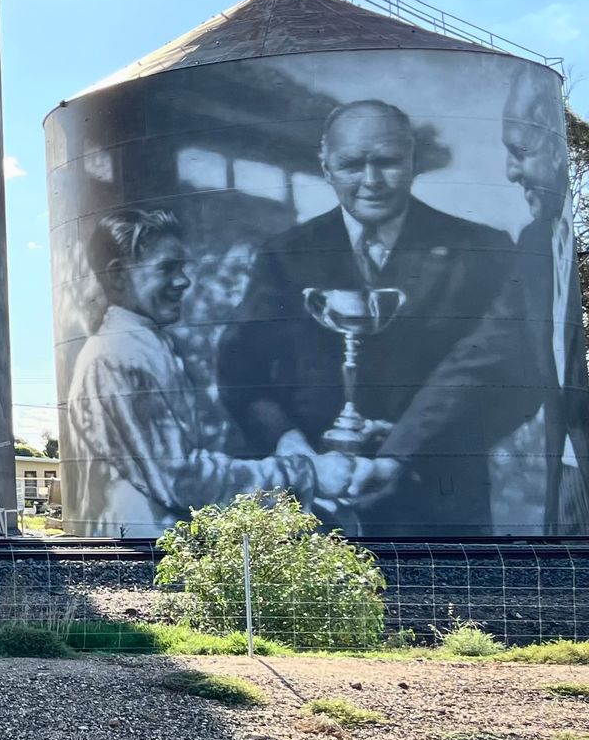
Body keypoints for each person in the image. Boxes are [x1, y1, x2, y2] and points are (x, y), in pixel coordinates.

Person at [218, 99, 538, 533]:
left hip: (439, 506)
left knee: (445, 604)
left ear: (414, 162)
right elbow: (241, 374)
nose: (371, 182)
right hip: (314, 505)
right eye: (352, 165)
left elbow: (517, 376)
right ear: (326, 166)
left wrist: (417, 448)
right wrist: (299, 455)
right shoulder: (284, 256)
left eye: (387, 162)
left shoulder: (482, 250)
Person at [65, 208, 344, 537]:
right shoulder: (117, 356)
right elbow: (181, 480)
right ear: (118, 276)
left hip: (162, 542)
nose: (184, 281)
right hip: (141, 548)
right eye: (168, 268)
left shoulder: (149, 344)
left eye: (183, 267)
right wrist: (299, 472)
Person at [502, 65, 589, 533]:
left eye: (521, 152)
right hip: (562, 467)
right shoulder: (533, 239)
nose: (511, 172)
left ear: (559, 150)